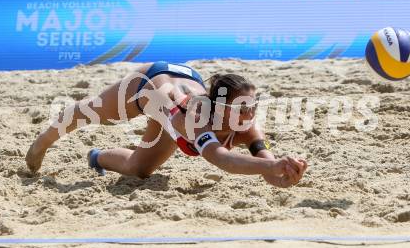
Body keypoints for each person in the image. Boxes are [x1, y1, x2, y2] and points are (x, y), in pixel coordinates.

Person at [26, 61, 307, 188]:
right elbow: (220, 158)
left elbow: (269, 172)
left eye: (254, 106)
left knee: (138, 169)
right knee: (94, 112)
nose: (250, 114)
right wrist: (271, 166)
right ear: (220, 107)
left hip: (172, 110)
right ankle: (43, 141)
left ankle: (96, 157)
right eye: (243, 107)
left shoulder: (248, 126)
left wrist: (285, 175)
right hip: (151, 84)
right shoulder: (196, 117)